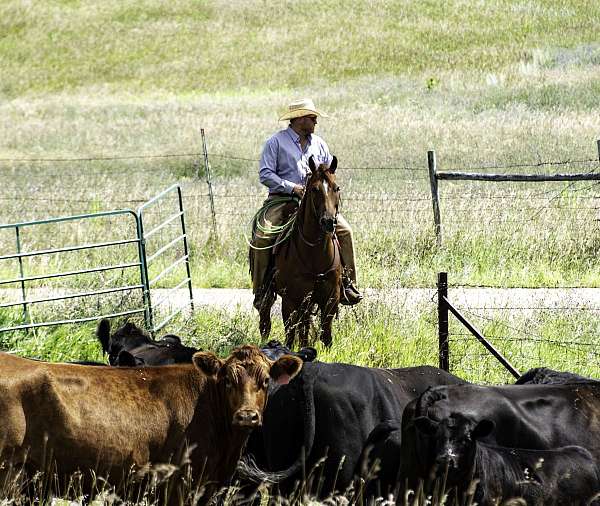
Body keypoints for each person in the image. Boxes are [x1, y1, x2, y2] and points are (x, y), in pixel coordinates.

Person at [250, 98, 363, 309]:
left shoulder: (319, 144)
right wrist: (292, 187)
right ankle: (262, 289)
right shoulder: (275, 142)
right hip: (282, 200)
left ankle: (347, 283)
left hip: (316, 203)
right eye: (313, 118)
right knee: (263, 233)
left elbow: (329, 172)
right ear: (300, 119)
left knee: (345, 231)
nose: (316, 122)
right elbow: (265, 174)